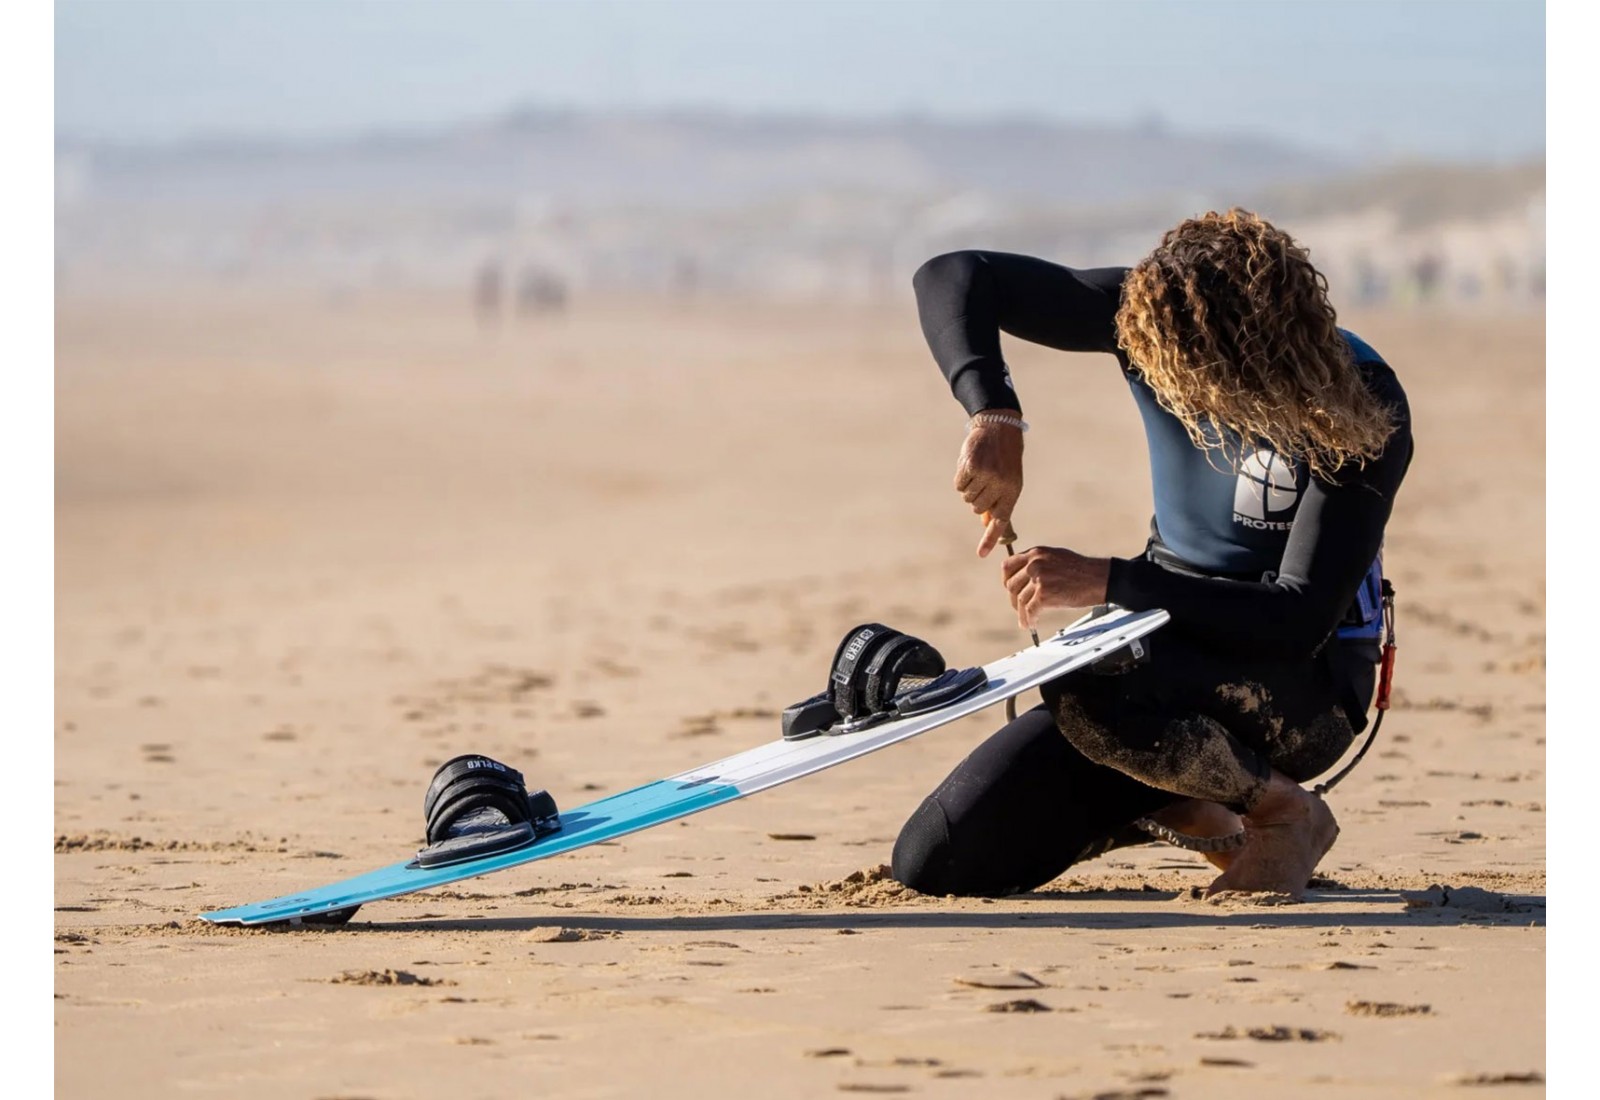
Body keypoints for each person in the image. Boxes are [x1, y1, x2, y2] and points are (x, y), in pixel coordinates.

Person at [891, 209, 1412, 900]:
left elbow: (1297, 618)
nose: (1178, 381)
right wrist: (994, 413)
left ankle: (1283, 811)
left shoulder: (1358, 400)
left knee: (1089, 680)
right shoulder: (1151, 322)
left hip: (1301, 689)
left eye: (1199, 363)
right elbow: (954, 275)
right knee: (937, 859)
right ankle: (1184, 799)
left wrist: (1108, 579)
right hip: (1155, 673)